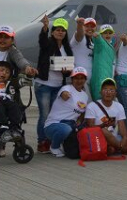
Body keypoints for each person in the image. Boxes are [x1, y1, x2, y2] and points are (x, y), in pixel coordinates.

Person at [34, 16, 74, 153]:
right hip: (44, 85)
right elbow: (42, 41)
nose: (60, 32)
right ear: (52, 32)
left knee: (54, 115)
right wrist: (44, 27)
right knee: (44, 114)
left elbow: (68, 69)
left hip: (58, 85)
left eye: (63, 30)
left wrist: (68, 71)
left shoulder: (67, 48)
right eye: (57, 29)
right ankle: (42, 142)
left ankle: (51, 140)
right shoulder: (48, 44)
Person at [84, 78, 127, 154]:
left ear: (115, 93)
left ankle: (114, 148)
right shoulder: (92, 106)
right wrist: (101, 126)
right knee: (102, 130)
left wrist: (124, 138)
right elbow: (90, 127)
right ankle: (122, 148)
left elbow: (122, 126)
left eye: (111, 90)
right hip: (98, 138)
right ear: (100, 92)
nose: (108, 92)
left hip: (114, 137)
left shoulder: (119, 106)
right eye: (105, 89)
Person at [44, 67, 90, 157]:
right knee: (66, 129)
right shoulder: (67, 88)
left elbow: (82, 112)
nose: (79, 81)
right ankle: (54, 147)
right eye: (76, 78)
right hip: (53, 125)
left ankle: (64, 144)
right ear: (72, 79)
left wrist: (80, 121)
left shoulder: (85, 95)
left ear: (85, 80)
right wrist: (65, 94)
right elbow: (64, 94)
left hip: (71, 124)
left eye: (82, 78)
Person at [70, 17, 96, 97]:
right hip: (79, 80)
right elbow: (79, 34)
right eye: (87, 26)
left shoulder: (94, 42)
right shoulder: (79, 38)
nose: (90, 28)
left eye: (92, 26)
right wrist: (79, 25)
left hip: (90, 81)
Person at [91, 24, 116, 100]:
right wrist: (96, 35)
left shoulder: (111, 47)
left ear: (113, 34)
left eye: (109, 33)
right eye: (105, 33)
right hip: (99, 81)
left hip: (108, 80)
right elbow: (98, 40)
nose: (108, 35)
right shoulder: (101, 45)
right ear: (101, 34)